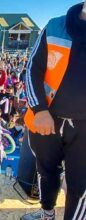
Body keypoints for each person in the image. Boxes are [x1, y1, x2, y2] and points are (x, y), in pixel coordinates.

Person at [22, 2, 86, 220]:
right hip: (48, 119)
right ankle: (47, 214)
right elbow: (32, 69)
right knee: (47, 172)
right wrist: (39, 110)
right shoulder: (55, 26)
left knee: (81, 185)